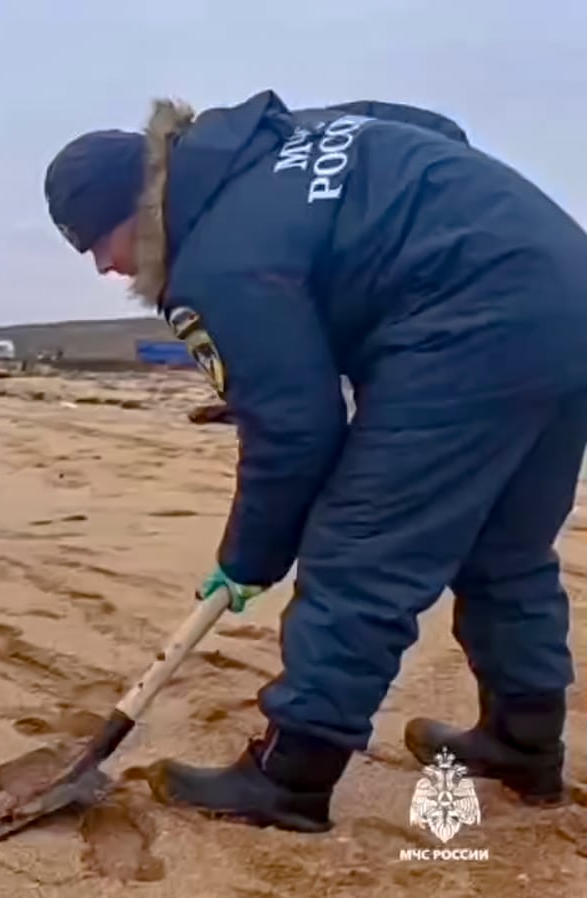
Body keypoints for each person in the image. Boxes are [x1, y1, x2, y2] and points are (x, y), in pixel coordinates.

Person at [43, 90, 587, 832]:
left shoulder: (218, 259)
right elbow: (432, 127)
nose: (104, 266)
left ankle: (290, 776)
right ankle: (524, 742)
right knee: (506, 547)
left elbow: (298, 434)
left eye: (98, 241)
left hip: (465, 318)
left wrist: (248, 559)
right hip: (566, 286)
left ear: (136, 203)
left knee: (361, 548)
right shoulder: (277, 140)